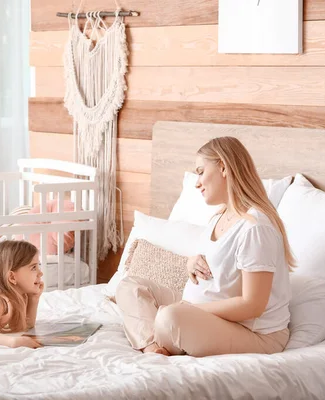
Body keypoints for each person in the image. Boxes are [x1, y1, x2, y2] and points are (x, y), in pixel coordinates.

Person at [116, 136, 294, 357]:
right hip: (200, 310)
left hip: (252, 333)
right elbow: (218, 268)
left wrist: (189, 310)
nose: (197, 182)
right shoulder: (218, 217)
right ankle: (152, 347)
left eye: (200, 171)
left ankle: (157, 337)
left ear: (223, 167)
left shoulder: (255, 228)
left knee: (170, 318)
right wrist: (191, 262)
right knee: (130, 286)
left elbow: (253, 306)